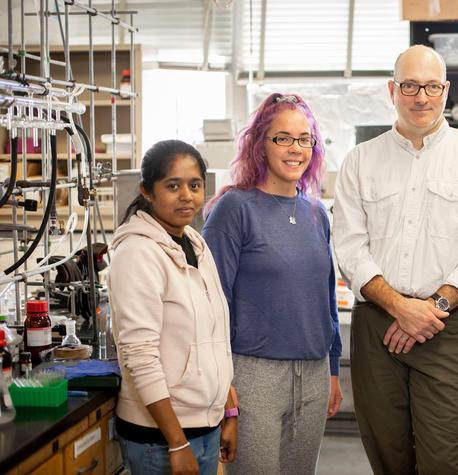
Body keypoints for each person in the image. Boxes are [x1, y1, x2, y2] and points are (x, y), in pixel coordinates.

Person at [332, 45, 458, 474]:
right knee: (388, 459)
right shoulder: (360, 161)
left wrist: (431, 309)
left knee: (444, 461)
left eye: (431, 86)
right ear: (392, 90)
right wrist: (399, 308)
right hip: (378, 328)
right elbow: (350, 247)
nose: (420, 97)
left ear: (446, 90)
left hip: (444, 329)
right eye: (410, 85)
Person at [202, 93, 343, 475]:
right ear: (259, 143)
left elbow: (325, 299)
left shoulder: (317, 213)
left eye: (304, 139)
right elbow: (212, 304)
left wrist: (332, 369)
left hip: (313, 376)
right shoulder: (234, 209)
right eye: (283, 138)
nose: (295, 149)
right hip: (252, 376)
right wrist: (223, 385)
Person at [108, 140, 237, 475]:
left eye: (194, 186)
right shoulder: (138, 252)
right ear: (147, 191)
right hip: (160, 439)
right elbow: (139, 355)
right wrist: (177, 443)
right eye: (172, 186)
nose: (186, 196)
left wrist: (228, 412)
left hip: (203, 426)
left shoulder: (194, 243)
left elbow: (213, 339)